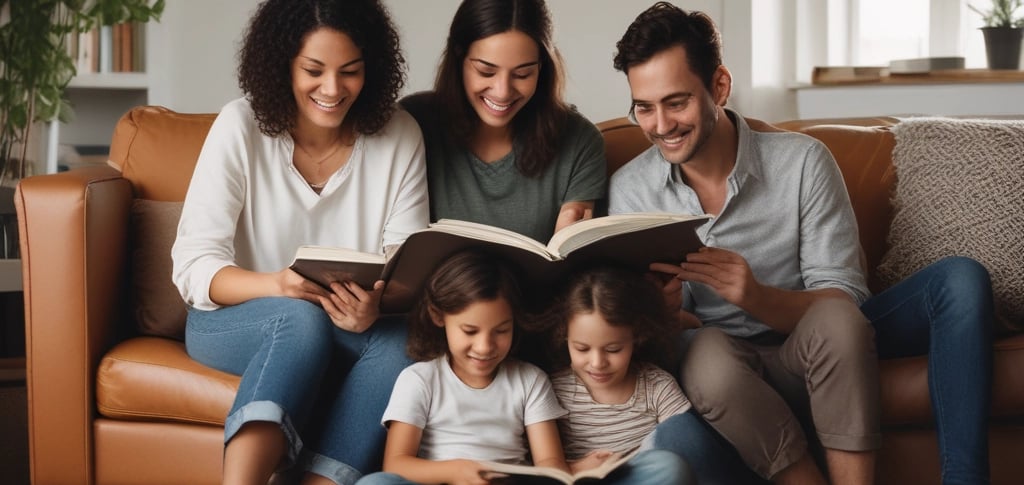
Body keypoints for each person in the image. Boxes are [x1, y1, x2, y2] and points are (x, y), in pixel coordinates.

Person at [608, 3, 995, 485]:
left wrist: (756, 296)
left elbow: (845, 303)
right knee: (698, 378)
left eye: (677, 102)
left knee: (956, 280)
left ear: (719, 87)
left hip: (819, 346)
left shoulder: (802, 161)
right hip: (723, 373)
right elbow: (673, 336)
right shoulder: (631, 190)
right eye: (644, 107)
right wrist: (661, 314)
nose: (660, 125)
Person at [170, 1, 429, 484]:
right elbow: (193, 266)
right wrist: (276, 285)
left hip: (346, 323)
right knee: (298, 317)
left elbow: (406, 263)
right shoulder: (239, 126)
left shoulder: (400, 135)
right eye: (314, 70)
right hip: (231, 319)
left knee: (405, 345)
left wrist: (377, 305)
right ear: (281, 64)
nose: (332, 89)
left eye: (349, 72)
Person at [399, 0, 607, 244]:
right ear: (458, 57)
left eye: (522, 74)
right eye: (486, 72)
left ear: (542, 68)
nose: (502, 92)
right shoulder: (412, 124)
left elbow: (573, 259)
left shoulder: (580, 141)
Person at [355, 251, 569, 485]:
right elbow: (395, 465)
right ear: (438, 316)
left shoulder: (530, 380)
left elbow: (549, 463)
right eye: (470, 331)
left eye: (501, 331)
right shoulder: (419, 380)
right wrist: (455, 472)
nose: (485, 347)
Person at [543, 265, 694, 484]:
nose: (597, 363)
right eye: (582, 349)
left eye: (613, 349)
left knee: (670, 466)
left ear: (636, 337)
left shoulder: (657, 387)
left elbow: (687, 451)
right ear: (564, 337)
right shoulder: (551, 389)